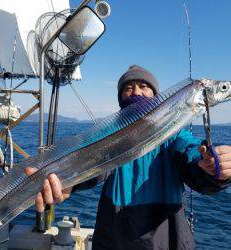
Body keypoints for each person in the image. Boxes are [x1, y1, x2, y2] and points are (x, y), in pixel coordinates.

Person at [25, 65, 231, 250]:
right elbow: (95, 166)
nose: (136, 92)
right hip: (113, 240)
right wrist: (69, 182)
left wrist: (211, 167)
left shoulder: (174, 135)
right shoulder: (109, 138)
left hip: (166, 241)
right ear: (121, 99)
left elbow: (191, 154)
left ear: (157, 97)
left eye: (143, 86)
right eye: (128, 88)